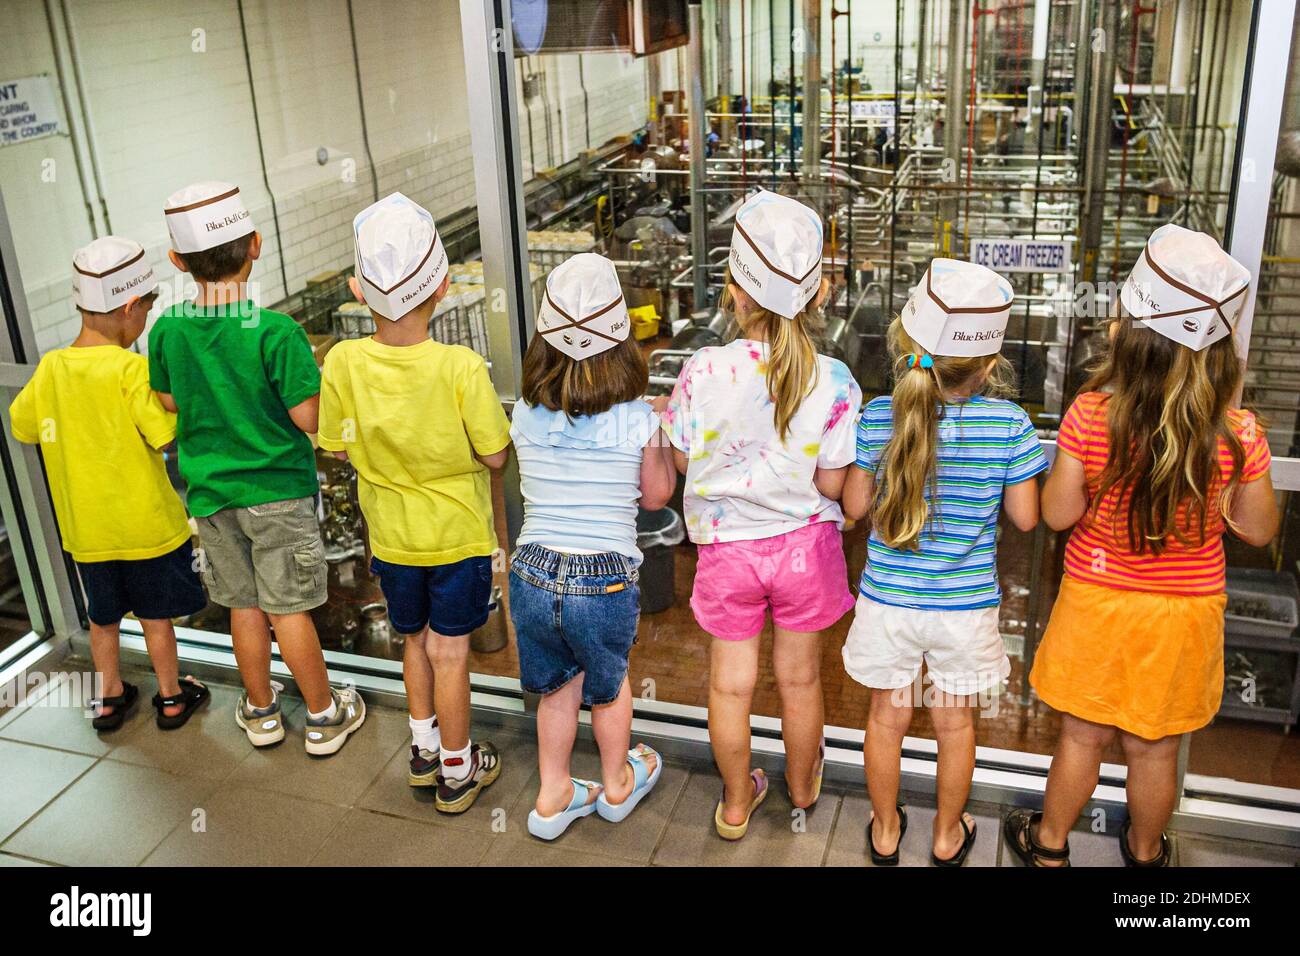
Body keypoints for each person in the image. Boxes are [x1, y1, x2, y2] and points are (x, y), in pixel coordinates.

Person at [1004, 225, 1279, 867]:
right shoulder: (1237, 434)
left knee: (1081, 739)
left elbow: (1058, 514)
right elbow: (1259, 529)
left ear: (1131, 331)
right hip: (1184, 616)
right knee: (1154, 749)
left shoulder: (1092, 415)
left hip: (1097, 604)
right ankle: (1147, 853)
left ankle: (1048, 847)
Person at [661, 189, 862, 840]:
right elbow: (833, 481)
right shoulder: (833, 379)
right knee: (800, 682)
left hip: (728, 551)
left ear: (732, 288)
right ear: (815, 295)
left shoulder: (701, 371)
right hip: (805, 551)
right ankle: (802, 789)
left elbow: (689, 464)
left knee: (730, 689)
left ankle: (736, 804)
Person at [840, 259, 1047, 866]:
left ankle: (884, 831)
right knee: (956, 727)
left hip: (889, 602)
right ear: (989, 365)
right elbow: (1028, 519)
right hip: (963, 610)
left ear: (911, 345)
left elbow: (855, 505)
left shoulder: (881, 416)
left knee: (887, 720)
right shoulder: (1009, 424)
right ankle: (947, 836)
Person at [149, 181, 364, 755]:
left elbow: (169, 401)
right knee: (287, 608)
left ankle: (263, 711)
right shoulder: (276, 332)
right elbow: (307, 418)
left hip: (211, 499)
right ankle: (323, 714)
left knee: (243, 605)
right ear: (256, 245)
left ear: (177, 261)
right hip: (278, 494)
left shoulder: (167, 329)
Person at [319, 193, 511, 813]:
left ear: (357, 289)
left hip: (393, 542)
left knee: (414, 643)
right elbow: (495, 456)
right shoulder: (460, 367)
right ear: (446, 285)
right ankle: (459, 770)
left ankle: (425, 751)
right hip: (456, 538)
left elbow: (338, 447)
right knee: (451, 651)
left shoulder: (343, 362)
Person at [508, 253, 677, 840]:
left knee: (556, 689)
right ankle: (615, 785)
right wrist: (659, 430)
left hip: (530, 571)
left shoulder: (524, 415)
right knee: (608, 687)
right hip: (601, 577)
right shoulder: (637, 417)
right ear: (622, 341)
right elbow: (656, 497)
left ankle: (553, 794)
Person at [10, 237, 208, 731]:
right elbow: (165, 437)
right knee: (155, 618)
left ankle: (108, 697)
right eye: (145, 311)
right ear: (127, 307)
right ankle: (170, 697)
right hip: (146, 528)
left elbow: (22, 424)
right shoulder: (130, 370)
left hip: (88, 534)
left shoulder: (53, 368)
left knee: (103, 618)